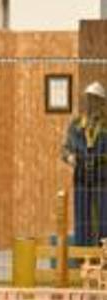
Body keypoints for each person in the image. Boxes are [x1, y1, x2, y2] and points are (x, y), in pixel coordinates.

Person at [62, 81, 107, 246]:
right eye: (89, 99)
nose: (91, 103)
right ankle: (83, 255)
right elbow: (65, 149)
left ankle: (104, 256)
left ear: (102, 103)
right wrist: (69, 158)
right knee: (82, 218)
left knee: (105, 217)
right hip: (81, 176)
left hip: (103, 177)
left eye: (96, 99)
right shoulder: (75, 125)